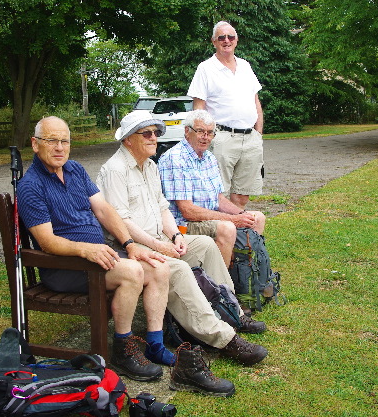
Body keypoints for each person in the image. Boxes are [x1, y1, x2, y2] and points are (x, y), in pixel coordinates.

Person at [96, 111, 268, 394]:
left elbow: (163, 208)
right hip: (132, 249)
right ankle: (224, 339)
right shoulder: (115, 170)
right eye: (147, 134)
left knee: (206, 246)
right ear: (128, 140)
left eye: (156, 133)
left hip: (160, 238)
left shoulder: (148, 166)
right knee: (178, 269)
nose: (155, 139)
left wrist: (175, 235)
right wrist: (159, 245)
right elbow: (121, 222)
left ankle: (233, 313)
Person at [17, 116, 171, 382]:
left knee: (158, 267)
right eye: (51, 140)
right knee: (132, 272)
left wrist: (129, 244)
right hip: (65, 267)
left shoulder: (75, 170)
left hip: (97, 258)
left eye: (64, 141)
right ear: (35, 144)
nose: (59, 147)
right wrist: (85, 250)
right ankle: (123, 349)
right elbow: (46, 242)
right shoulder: (31, 186)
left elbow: (103, 209)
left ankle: (155, 344)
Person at [157, 109, 266, 267]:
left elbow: (219, 199)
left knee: (256, 218)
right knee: (227, 227)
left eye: (210, 133)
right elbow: (187, 210)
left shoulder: (209, 158)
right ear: (187, 131)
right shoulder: (175, 159)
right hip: (182, 225)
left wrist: (242, 215)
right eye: (200, 131)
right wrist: (233, 219)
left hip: (208, 219)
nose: (205, 137)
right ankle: (221, 285)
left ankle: (246, 275)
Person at [187, 20, 264, 210]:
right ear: (214, 41)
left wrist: (258, 135)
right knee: (218, 194)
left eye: (231, 37)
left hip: (250, 139)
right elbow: (199, 108)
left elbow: (256, 101)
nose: (226, 40)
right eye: (221, 37)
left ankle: (238, 235)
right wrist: (202, 139)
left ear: (236, 40)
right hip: (221, 138)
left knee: (242, 194)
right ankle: (222, 235)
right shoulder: (205, 68)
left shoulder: (245, 66)